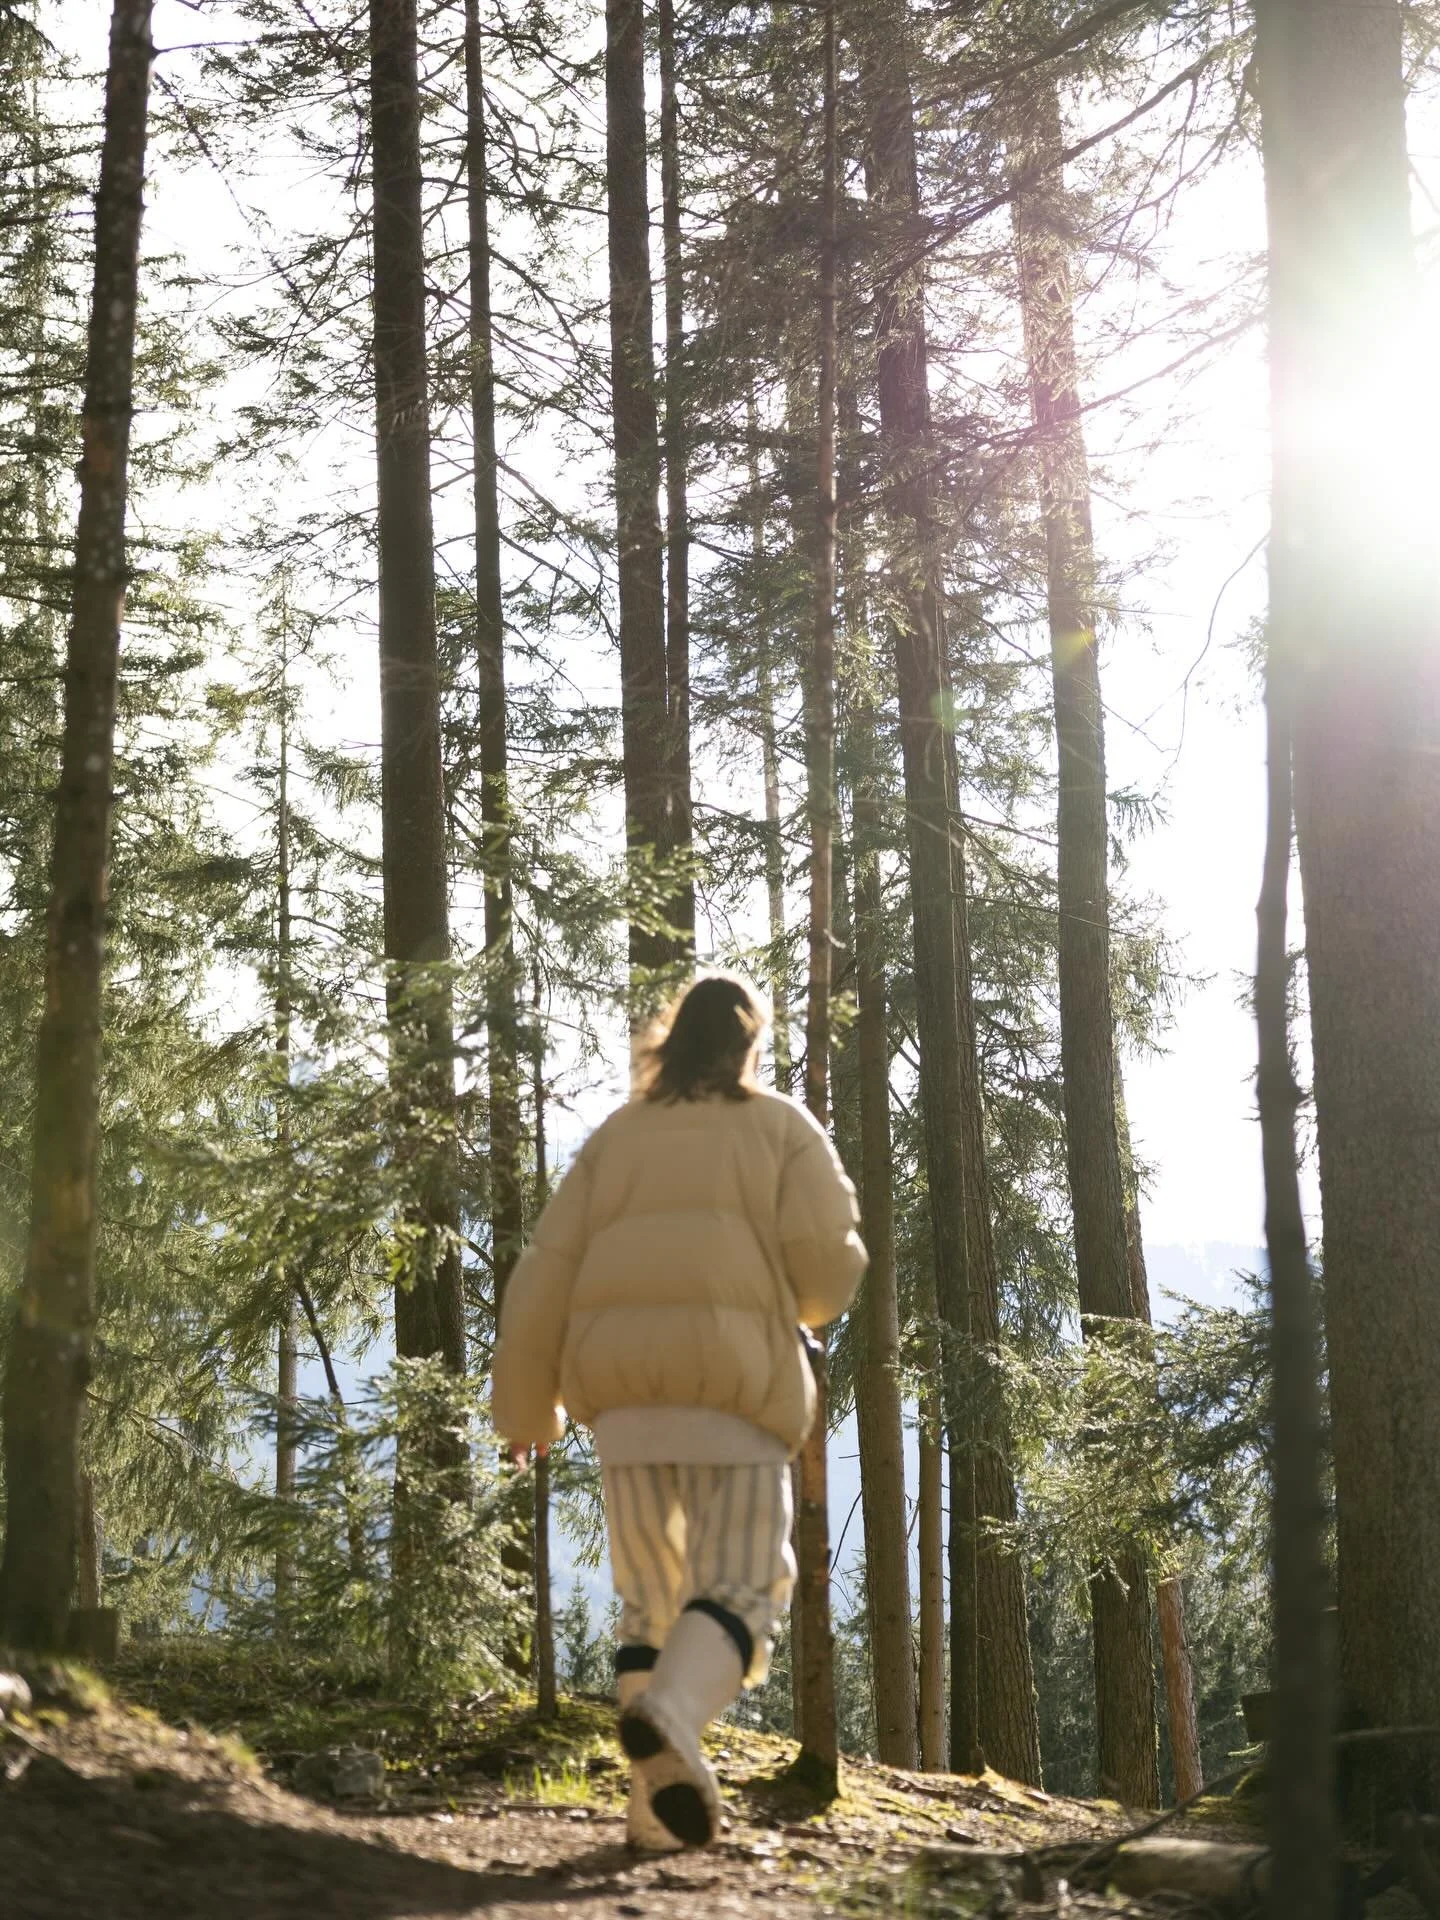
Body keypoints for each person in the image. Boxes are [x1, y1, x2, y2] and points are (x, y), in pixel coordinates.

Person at [491, 973, 866, 1850]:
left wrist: (525, 1409)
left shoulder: (615, 1139)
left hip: (623, 1413)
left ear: (671, 1040)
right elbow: (828, 1272)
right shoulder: (780, 1128)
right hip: (733, 1403)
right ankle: (669, 1713)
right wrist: (796, 1301)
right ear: (747, 1045)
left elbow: (545, 1272)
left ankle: (652, 1818)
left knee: (649, 1608)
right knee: (740, 1588)